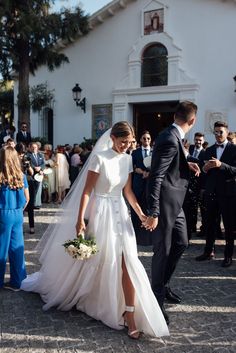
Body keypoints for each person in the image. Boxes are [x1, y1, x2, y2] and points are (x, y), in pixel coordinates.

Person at [21, 121, 169, 339]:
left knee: (128, 261)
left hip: (121, 214)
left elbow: (128, 191)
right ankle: (93, 297)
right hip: (101, 213)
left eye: (129, 143)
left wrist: (141, 214)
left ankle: (130, 313)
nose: (126, 146)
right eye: (122, 142)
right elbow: (86, 192)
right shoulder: (99, 159)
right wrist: (80, 220)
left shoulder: (128, 159)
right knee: (101, 260)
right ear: (113, 138)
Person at [143, 101, 199, 325]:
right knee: (163, 252)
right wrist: (153, 211)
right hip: (165, 207)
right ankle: (155, 302)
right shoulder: (168, 138)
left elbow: (173, 165)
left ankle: (164, 285)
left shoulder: (172, 135)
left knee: (182, 243)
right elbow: (156, 176)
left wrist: (189, 164)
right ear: (192, 120)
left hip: (177, 206)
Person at [195, 121, 236, 267]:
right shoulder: (209, 149)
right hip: (212, 192)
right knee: (210, 223)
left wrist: (221, 165)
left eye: (221, 132)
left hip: (228, 193)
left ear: (227, 132)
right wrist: (205, 169)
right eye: (216, 132)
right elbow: (203, 172)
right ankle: (208, 252)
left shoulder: (233, 149)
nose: (218, 135)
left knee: (229, 225)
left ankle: (228, 255)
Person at [0, 146, 29, 291]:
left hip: (3, 213)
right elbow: (27, 198)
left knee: (1, 249)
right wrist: (18, 209)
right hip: (17, 213)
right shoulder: (21, 175)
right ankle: (18, 282)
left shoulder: (0, 176)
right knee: (16, 249)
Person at [131, 131, 152, 245]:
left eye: (148, 138)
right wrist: (140, 171)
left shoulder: (154, 152)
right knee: (136, 210)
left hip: (150, 186)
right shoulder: (135, 152)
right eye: (144, 138)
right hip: (138, 185)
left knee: (148, 209)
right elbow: (132, 167)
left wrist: (150, 173)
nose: (146, 140)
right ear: (140, 140)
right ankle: (135, 236)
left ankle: (148, 237)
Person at [15, 143, 36, 234]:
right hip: (19, 183)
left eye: (23, 153)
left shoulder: (27, 158)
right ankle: (20, 226)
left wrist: (28, 166)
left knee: (30, 205)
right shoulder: (14, 160)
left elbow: (32, 173)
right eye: (20, 153)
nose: (21, 155)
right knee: (20, 204)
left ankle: (32, 226)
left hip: (29, 182)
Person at [27, 142, 45, 209]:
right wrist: (34, 167)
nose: (34, 148)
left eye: (35, 147)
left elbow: (43, 164)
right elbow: (28, 163)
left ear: (37, 148)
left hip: (39, 175)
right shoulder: (28, 155)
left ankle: (34, 203)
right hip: (31, 175)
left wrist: (41, 169)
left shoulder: (40, 155)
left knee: (37, 190)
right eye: (33, 147)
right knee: (32, 190)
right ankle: (31, 205)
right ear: (30, 148)